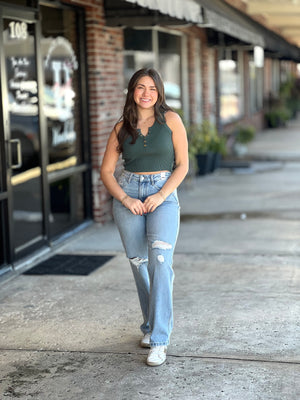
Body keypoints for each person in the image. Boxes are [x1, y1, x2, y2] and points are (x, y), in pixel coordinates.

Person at [100, 68, 188, 366]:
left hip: (162, 194)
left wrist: (161, 195)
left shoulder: (172, 121)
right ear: (132, 92)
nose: (146, 93)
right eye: (140, 87)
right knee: (140, 264)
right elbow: (106, 171)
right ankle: (150, 325)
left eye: (152, 88)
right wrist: (125, 199)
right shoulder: (121, 127)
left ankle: (159, 340)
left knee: (161, 260)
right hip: (128, 194)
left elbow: (183, 165)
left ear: (159, 92)